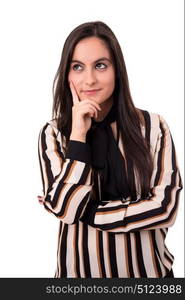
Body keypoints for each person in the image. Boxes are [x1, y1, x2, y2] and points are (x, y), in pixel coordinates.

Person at [37, 21, 183, 278]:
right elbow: (66, 210)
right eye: (77, 67)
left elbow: (164, 208)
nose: (89, 79)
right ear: (67, 74)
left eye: (101, 65)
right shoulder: (55, 133)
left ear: (117, 70)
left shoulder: (153, 126)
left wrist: (89, 213)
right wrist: (79, 136)